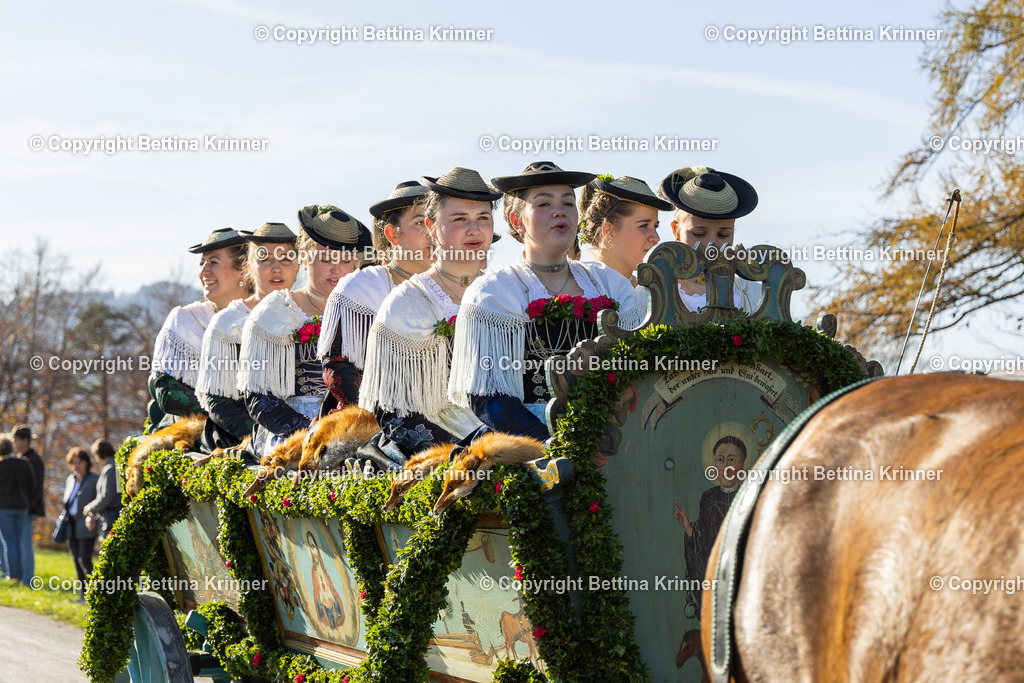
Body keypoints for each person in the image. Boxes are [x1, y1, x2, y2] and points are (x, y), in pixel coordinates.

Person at [448, 162, 646, 440]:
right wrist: (551, 445)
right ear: (517, 222)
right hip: (529, 441)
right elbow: (487, 396)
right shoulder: (492, 293)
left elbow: (641, 367)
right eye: (544, 204)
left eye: (568, 203)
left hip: (616, 435)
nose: (559, 211)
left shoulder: (610, 283)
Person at [360, 168, 496, 461]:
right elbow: (393, 413)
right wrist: (461, 455)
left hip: (507, 432)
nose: (475, 230)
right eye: (460, 219)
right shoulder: (406, 302)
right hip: (442, 444)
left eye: (483, 218)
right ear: (432, 227)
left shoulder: (505, 293)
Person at [239, 212, 370, 456]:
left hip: (357, 427)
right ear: (304, 257)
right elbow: (258, 397)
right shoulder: (276, 311)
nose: (336, 269)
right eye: (326, 259)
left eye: (345, 260)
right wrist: (312, 433)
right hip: (294, 434)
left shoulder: (367, 311)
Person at [316, 182, 433, 415]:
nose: (431, 232)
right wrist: (389, 417)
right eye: (420, 223)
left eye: (434, 221)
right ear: (392, 234)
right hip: (370, 416)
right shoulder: (360, 287)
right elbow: (338, 369)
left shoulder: (453, 287)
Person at [195, 224, 296, 452]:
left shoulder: (306, 316)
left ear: (298, 266)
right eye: (265, 259)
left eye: (286, 259)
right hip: (242, 440)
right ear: (249, 267)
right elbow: (217, 401)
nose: (276, 268)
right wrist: (264, 438)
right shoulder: (227, 322)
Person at [148, 228, 251, 430]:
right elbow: (166, 393)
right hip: (200, 431)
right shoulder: (185, 319)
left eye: (213, 262)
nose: (203, 272)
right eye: (202, 263)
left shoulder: (270, 319)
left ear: (243, 269)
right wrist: (235, 419)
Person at [658, 166, 760, 313]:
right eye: (699, 234)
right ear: (676, 230)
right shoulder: (653, 293)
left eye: (723, 235)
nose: (711, 245)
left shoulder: (754, 294)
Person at [673, 434, 747, 612]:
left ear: (741, 465)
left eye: (731, 460)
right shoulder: (708, 498)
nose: (726, 466)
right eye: (720, 460)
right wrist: (688, 528)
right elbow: (702, 540)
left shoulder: (749, 495)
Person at [579, 175, 671, 286]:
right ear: (609, 231)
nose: (656, 238)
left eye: (655, 226)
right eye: (643, 226)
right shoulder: (578, 286)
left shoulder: (652, 291)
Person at [63, 447, 98, 600]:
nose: (76, 466)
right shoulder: (71, 479)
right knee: (76, 559)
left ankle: (93, 593)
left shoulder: (94, 479)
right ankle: (82, 593)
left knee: (85, 559)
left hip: (86, 524)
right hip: (71, 524)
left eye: (79, 462)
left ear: (86, 463)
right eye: (74, 463)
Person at [0, 435, 36, 583]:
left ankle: (13, 574)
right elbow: (33, 485)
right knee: (21, 542)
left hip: (4, 508)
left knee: (9, 542)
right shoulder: (24, 463)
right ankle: (23, 574)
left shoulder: (1, 465)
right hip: (22, 507)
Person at [11, 425, 43, 583]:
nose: (14, 442)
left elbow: (36, 488)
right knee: (17, 544)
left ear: (25, 440)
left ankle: (27, 579)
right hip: (18, 508)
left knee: (25, 544)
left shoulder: (34, 459)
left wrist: (27, 507)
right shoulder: (20, 457)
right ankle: (17, 575)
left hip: (27, 510)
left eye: (16, 439)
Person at [82, 440, 122, 539]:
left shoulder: (111, 468)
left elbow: (107, 496)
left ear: (98, 454)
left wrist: (90, 508)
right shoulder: (114, 465)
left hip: (112, 518)